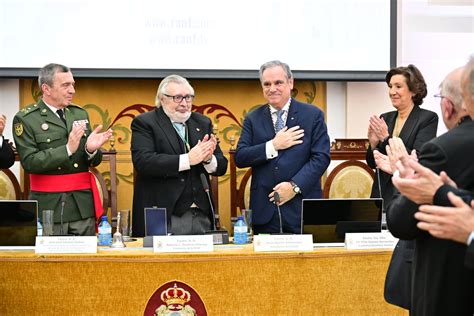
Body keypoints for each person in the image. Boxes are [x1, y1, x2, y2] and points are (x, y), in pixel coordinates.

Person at [386, 63, 474, 316]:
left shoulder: (442, 148)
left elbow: (400, 221)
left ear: (448, 105)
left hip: (449, 288)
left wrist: (405, 178)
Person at [365, 64, 438, 310]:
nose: (392, 92)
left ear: (413, 90)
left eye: (398, 86)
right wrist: (372, 143)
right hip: (381, 194)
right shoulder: (385, 118)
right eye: (390, 87)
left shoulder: (427, 118)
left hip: (405, 195)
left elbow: (417, 158)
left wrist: (385, 138)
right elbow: (372, 161)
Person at [13, 63, 113, 236]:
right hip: (49, 206)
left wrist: (90, 150)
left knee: (86, 261)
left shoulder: (79, 114)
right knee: (50, 261)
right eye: (66, 85)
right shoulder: (26, 118)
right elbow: (30, 162)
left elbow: (92, 161)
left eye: (73, 84)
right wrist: (67, 149)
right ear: (46, 89)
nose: (72, 90)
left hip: (81, 205)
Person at [234, 60, 330, 234]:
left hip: (301, 208)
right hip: (265, 212)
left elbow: (321, 158)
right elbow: (240, 157)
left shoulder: (313, 115)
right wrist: (273, 145)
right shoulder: (252, 118)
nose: (272, 88)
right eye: (267, 84)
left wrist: (294, 187)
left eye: (278, 82)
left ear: (290, 82)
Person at [131, 74, 228, 237]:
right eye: (178, 98)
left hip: (201, 214)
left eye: (188, 97)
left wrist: (208, 159)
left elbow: (222, 166)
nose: (184, 103)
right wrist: (188, 160)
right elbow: (143, 162)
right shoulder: (145, 123)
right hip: (165, 214)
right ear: (162, 99)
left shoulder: (202, 122)